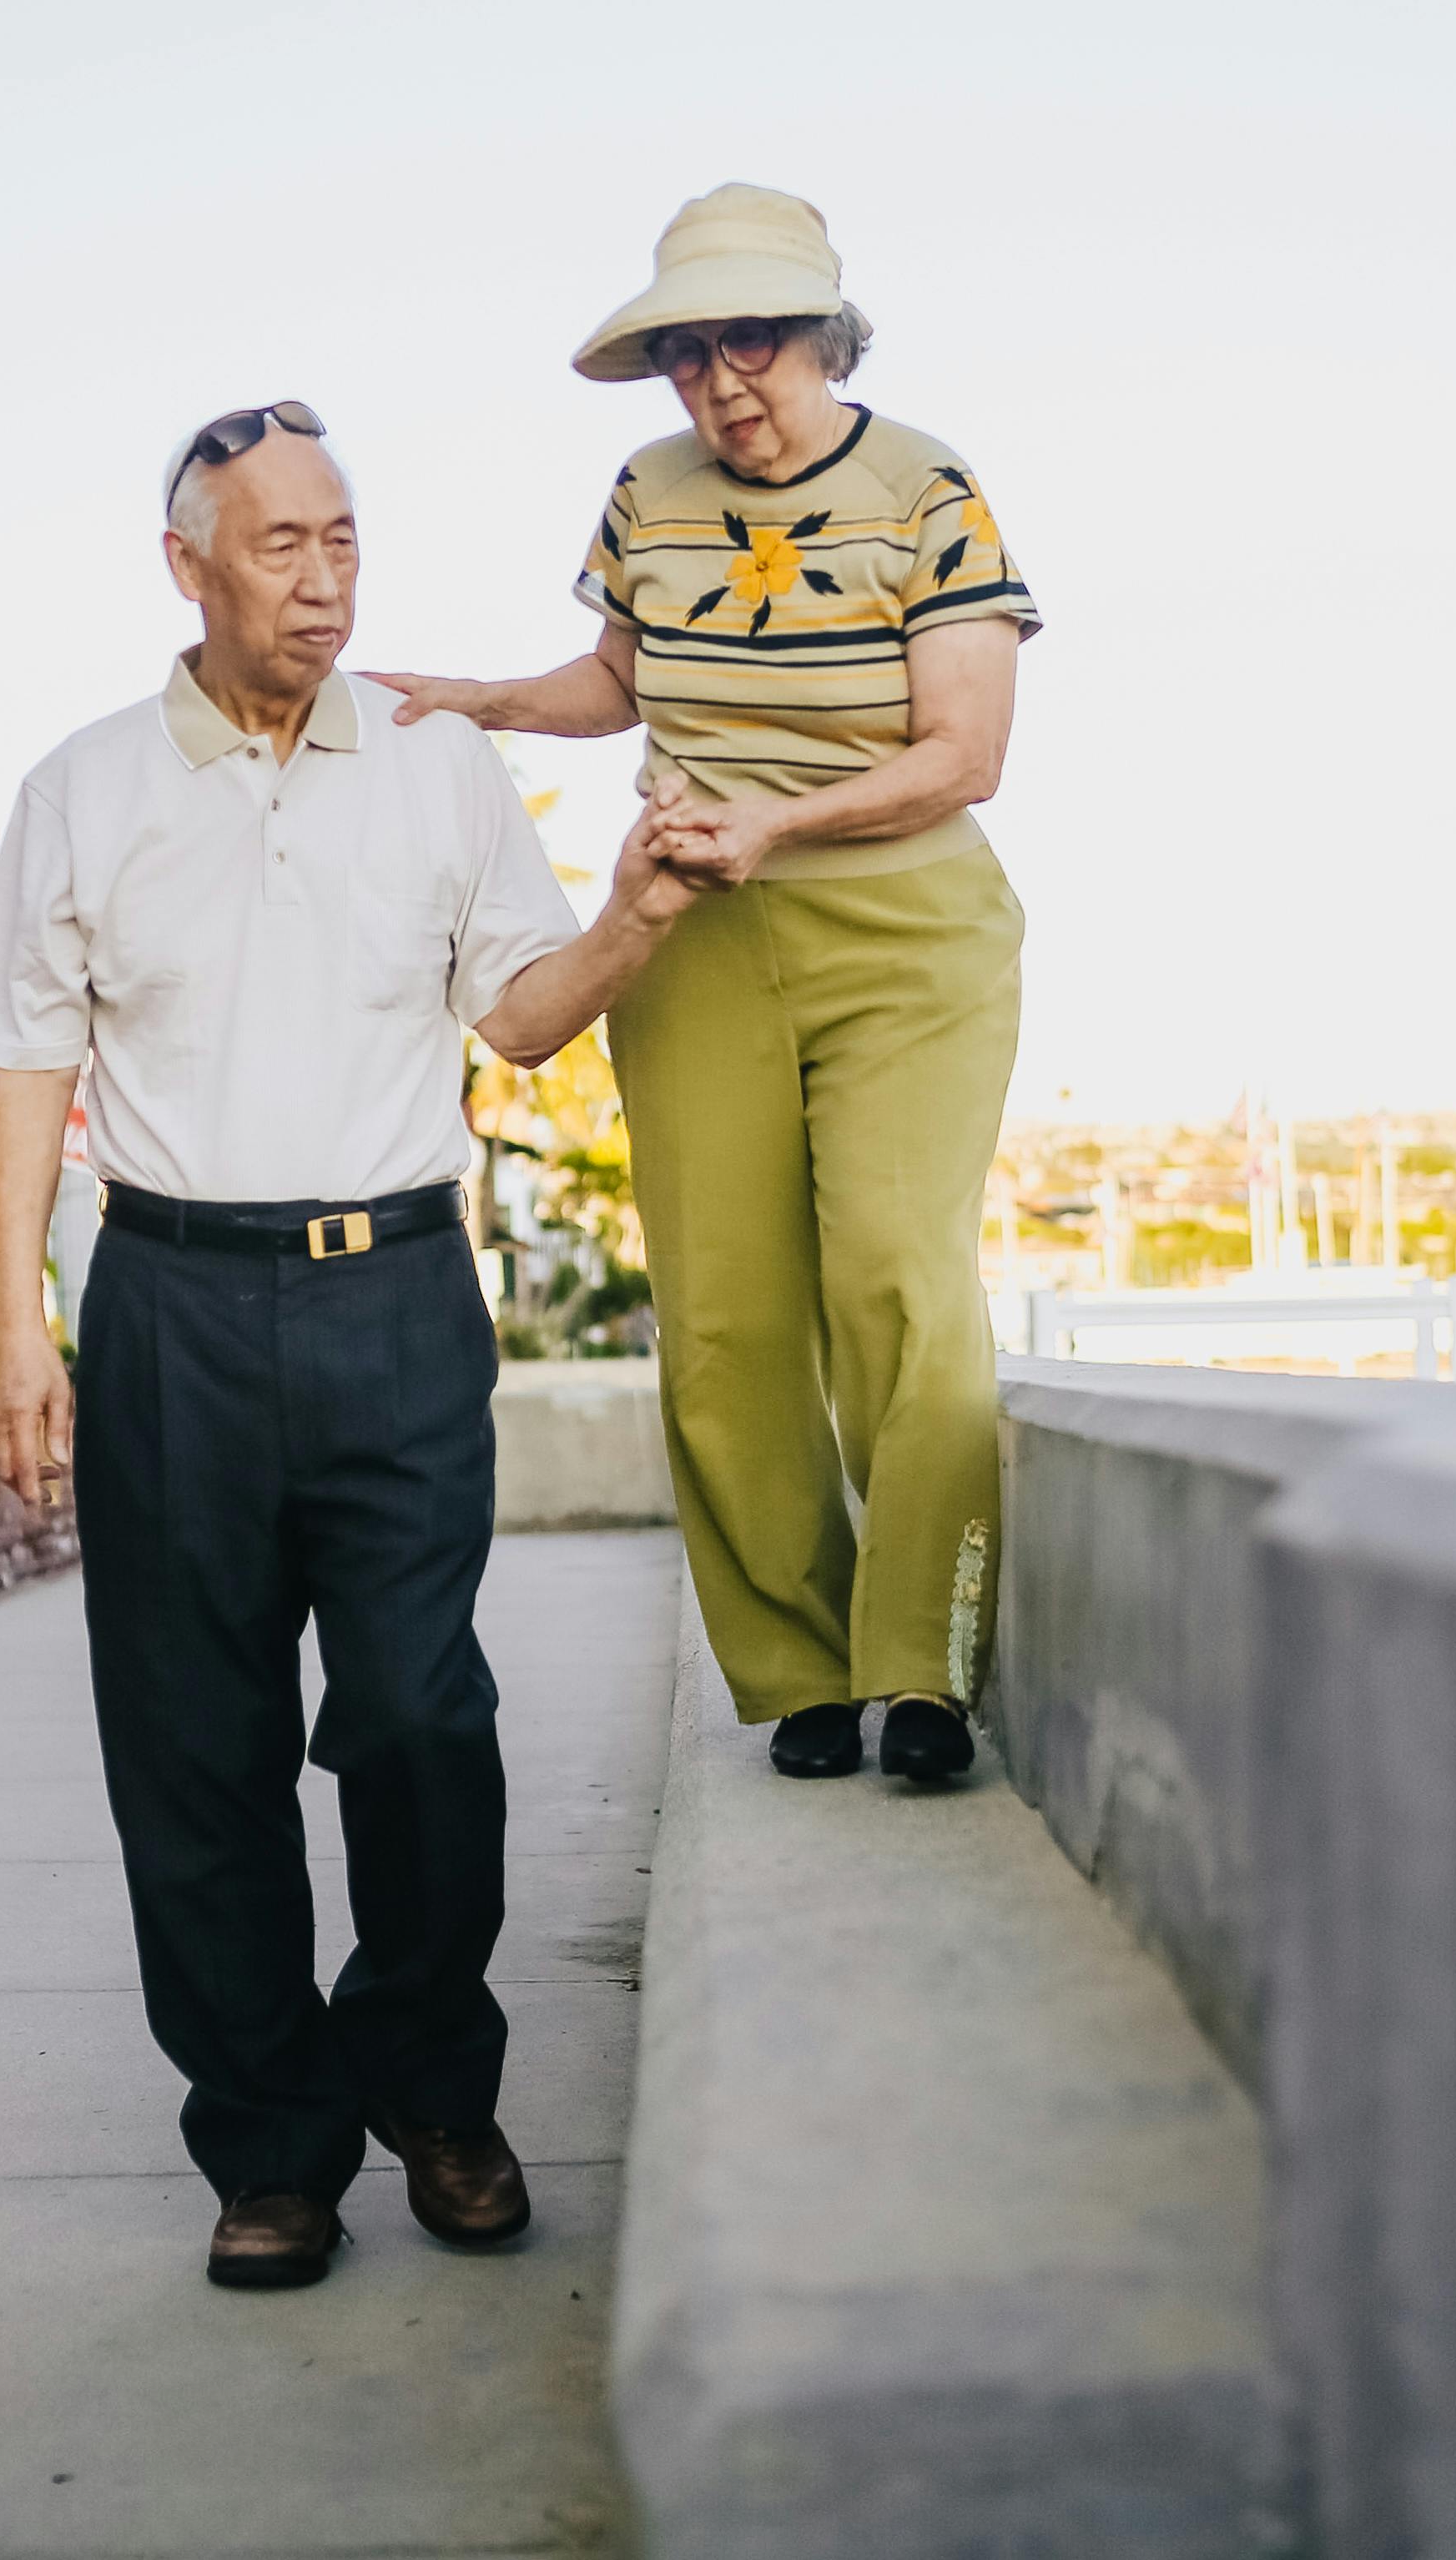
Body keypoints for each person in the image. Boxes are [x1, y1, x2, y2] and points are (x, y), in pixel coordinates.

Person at [0, 399, 709, 2293]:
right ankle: (272, 2148)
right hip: (167, 1310)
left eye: (345, 536)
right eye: (284, 543)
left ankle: (436, 2096)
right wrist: (15, 1335)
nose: (327, 575)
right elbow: (31, 1076)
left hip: (392, 1293)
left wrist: (628, 922)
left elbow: (522, 1021)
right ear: (188, 567)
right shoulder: (84, 785)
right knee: (194, 1754)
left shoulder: (439, 769)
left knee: (418, 1718)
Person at [370, 184, 1038, 1790]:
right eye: (688, 355)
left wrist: (781, 819)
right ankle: (798, 1669)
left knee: (896, 1276)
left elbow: (968, 754)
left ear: (820, 333)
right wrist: (484, 701)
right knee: (726, 1317)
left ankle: (926, 1670)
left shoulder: (928, 484)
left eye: (751, 341)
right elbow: (624, 676)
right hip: (695, 936)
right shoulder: (648, 493)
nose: (723, 382)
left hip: (906, 935)